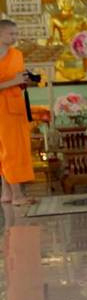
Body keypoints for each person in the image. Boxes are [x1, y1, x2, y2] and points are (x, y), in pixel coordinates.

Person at [0, 20, 36, 206]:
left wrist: (24, 80)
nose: (14, 37)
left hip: (15, 107)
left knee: (13, 149)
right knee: (9, 151)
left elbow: (17, 79)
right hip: (1, 109)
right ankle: (17, 195)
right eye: (10, 34)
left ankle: (7, 193)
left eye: (16, 34)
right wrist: (12, 82)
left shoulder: (17, 55)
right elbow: (10, 81)